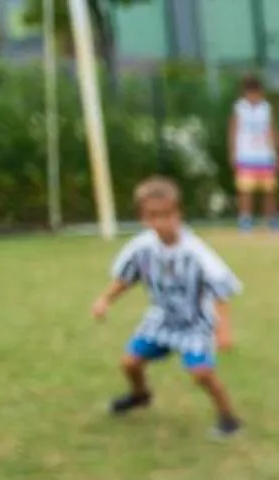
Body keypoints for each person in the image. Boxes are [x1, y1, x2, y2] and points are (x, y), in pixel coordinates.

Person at [93, 178, 245, 441]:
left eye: (167, 215)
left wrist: (224, 331)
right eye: (153, 216)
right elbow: (126, 278)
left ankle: (229, 418)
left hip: (195, 323)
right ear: (143, 217)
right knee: (129, 363)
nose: (161, 222)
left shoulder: (196, 252)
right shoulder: (141, 248)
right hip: (161, 319)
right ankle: (140, 395)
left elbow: (221, 291)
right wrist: (105, 300)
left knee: (201, 374)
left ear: (178, 214)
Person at [229, 74, 279, 232]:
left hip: (265, 155)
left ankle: (272, 219)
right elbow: (233, 130)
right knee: (246, 190)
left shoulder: (266, 108)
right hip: (246, 155)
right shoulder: (239, 108)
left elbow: (273, 130)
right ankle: (245, 219)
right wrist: (233, 151)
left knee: (270, 190)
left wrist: (278, 152)